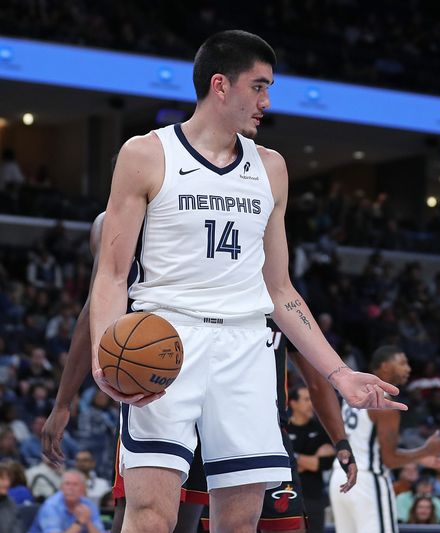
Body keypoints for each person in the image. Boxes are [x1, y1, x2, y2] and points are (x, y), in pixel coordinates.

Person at [87, 30, 403, 533]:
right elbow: (111, 273)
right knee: (150, 514)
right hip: (165, 336)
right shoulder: (146, 154)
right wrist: (105, 354)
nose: (266, 101)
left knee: (240, 521)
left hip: (246, 346)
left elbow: (280, 290)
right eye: (258, 87)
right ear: (220, 85)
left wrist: (340, 375)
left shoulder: (271, 167)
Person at [42, 218, 358, 533]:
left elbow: (315, 375)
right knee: (146, 514)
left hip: (249, 415)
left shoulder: (266, 282)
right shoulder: (120, 224)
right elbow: (94, 309)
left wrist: (341, 435)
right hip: (164, 389)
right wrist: (63, 401)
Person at [329, 345, 440, 533]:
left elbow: (367, 446)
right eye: (403, 363)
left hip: (340, 476)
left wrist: (420, 458)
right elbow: (389, 459)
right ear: (385, 366)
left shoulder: (354, 392)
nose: (408, 369)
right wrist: (427, 450)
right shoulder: (384, 403)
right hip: (367, 481)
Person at [285, 385, 335, 533]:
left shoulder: (320, 428)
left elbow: (326, 463)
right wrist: (310, 460)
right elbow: (284, 464)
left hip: (314, 497)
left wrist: (294, 458)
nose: (311, 404)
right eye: (306, 400)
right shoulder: (283, 428)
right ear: (293, 403)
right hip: (287, 495)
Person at [28, 470, 104, 533]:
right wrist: (79, 522)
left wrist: (88, 522)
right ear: (61, 488)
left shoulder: (89, 505)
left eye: (75, 484)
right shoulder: (51, 506)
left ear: (83, 489)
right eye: (67, 484)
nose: (71, 488)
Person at [0, 463, 22, 533]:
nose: (7, 483)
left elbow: (17, 529)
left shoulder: (10, 502)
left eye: (8, 479)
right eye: (2, 479)